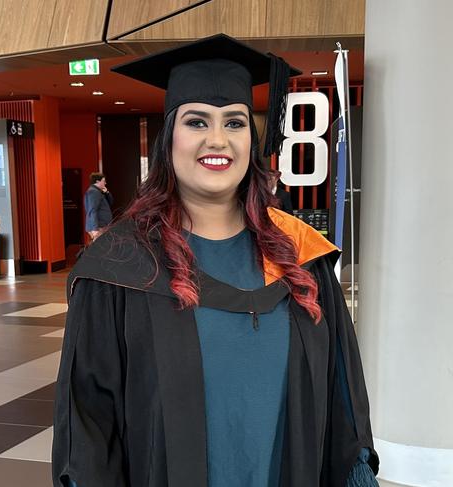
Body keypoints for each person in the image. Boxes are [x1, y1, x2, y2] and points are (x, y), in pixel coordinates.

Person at [53, 34, 379, 487]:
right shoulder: (118, 266)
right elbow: (88, 423)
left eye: (234, 123)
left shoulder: (301, 256)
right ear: (169, 138)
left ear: (253, 138)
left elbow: (343, 395)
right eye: (197, 122)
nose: (218, 140)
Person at [83, 172, 113, 241]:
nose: (105, 183)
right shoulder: (94, 192)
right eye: (103, 181)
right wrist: (95, 228)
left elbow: (110, 202)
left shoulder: (98, 191)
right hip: (99, 227)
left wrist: (107, 192)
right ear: (97, 181)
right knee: (101, 248)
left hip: (100, 226)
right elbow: (93, 210)